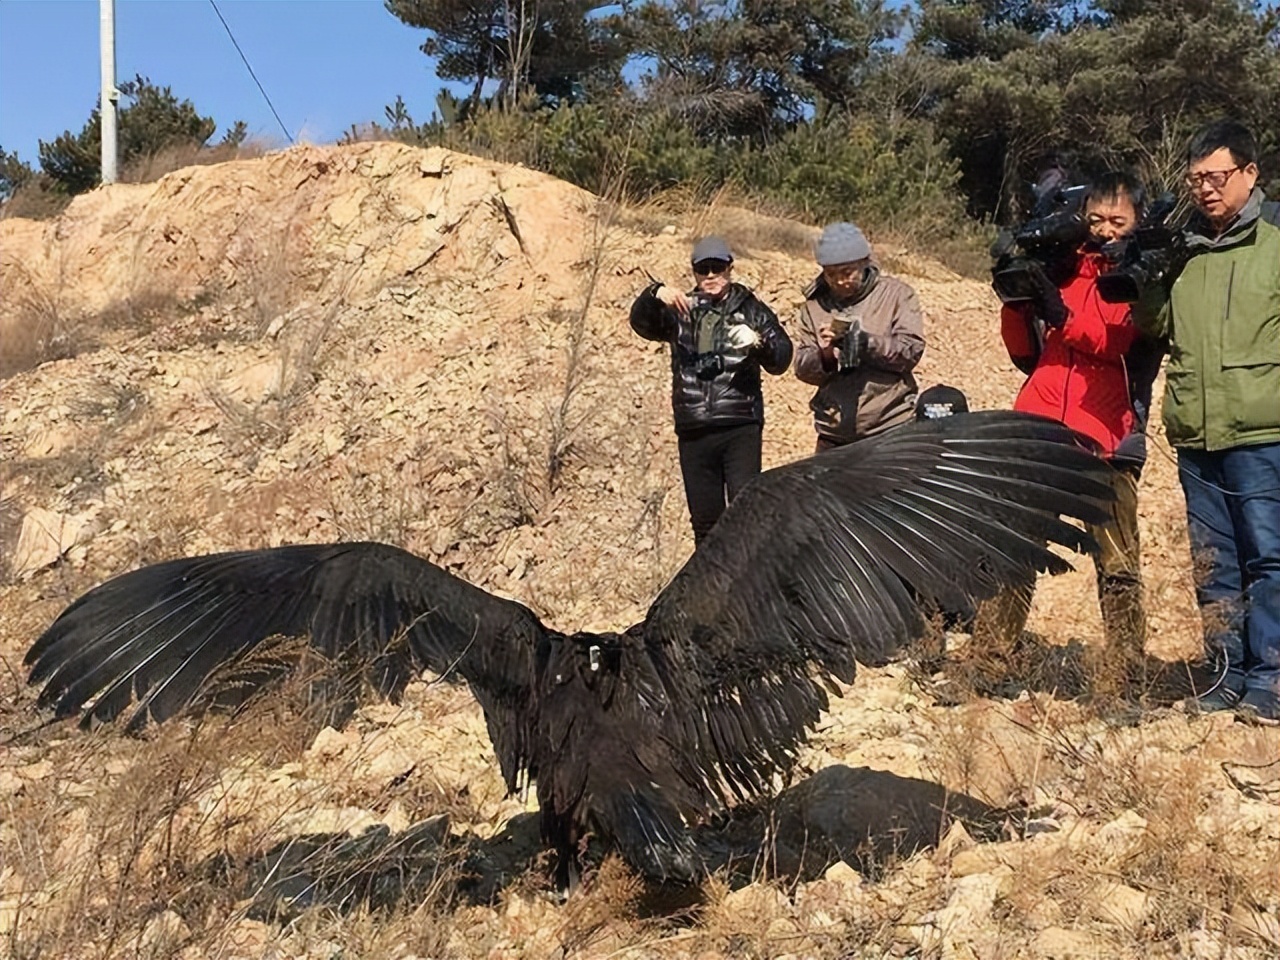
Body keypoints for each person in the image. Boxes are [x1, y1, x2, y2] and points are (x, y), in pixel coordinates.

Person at [973, 170, 1158, 698]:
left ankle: (1124, 676)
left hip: (1106, 431)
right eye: (1095, 218)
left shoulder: (1137, 273)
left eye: (1117, 219)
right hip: (1042, 421)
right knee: (1013, 546)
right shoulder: (1066, 264)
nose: (1103, 229)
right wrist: (1017, 299)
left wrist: (1058, 309)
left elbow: (1114, 341)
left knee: (1117, 561)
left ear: (1139, 221)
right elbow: (1023, 352)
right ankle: (989, 660)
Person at [1136, 120, 1280, 724]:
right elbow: (1155, 326)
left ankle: (1271, 678)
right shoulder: (1184, 246)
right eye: (1195, 179)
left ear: (1250, 174)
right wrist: (1146, 277)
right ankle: (1224, 675)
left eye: (1216, 177)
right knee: (1213, 560)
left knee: (1269, 556)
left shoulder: (1275, 238)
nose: (1204, 190)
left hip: (1263, 432)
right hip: (1196, 429)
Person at [630, 236, 793, 545]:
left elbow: (783, 358)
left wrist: (758, 342)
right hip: (694, 427)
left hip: (739, 424)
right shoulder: (681, 309)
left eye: (716, 268)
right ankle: (715, 592)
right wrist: (655, 293)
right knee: (706, 524)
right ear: (693, 272)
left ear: (730, 268)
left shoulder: (751, 308)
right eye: (702, 269)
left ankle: (753, 588)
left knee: (747, 516)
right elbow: (641, 323)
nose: (710, 276)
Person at [793, 222, 925, 452]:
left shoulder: (896, 295)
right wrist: (826, 355)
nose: (840, 281)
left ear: (864, 263)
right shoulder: (814, 306)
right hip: (833, 432)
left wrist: (865, 343)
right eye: (831, 274)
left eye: (847, 273)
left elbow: (910, 351)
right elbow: (802, 368)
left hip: (889, 426)